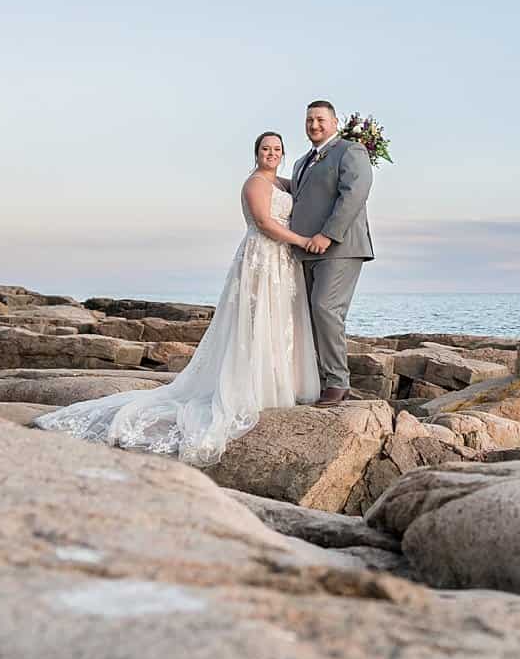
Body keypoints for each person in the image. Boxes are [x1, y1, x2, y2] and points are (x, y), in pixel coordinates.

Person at [29, 131, 321, 466]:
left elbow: (312, 187)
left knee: (277, 321)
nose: (271, 153)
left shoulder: (284, 183)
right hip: (262, 258)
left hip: (281, 263)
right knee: (254, 322)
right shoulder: (255, 183)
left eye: (277, 149)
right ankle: (251, 387)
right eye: (266, 148)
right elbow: (263, 222)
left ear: (283, 155)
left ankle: (274, 384)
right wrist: (301, 239)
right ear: (256, 153)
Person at [286, 100, 376, 405]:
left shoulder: (350, 151)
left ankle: (338, 382)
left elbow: (355, 193)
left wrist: (328, 234)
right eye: (309, 120)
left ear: (335, 122)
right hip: (305, 249)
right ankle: (321, 380)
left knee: (326, 308)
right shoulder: (300, 162)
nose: (314, 125)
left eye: (321, 119)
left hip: (341, 245)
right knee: (311, 314)